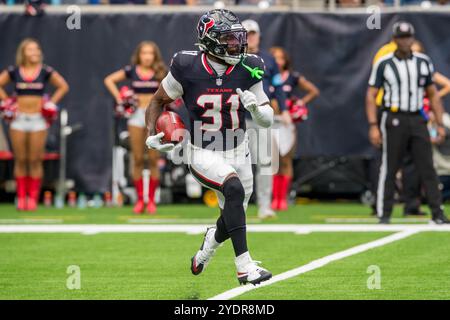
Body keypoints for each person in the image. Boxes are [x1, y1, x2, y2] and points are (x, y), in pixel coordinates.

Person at [145, 9, 273, 285]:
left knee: (232, 213)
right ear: (210, 40)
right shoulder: (185, 65)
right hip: (202, 149)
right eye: (229, 39)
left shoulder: (250, 65)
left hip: (239, 150)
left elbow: (266, 119)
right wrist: (152, 134)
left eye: (238, 38)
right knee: (234, 189)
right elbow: (157, 101)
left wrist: (257, 110)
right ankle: (244, 267)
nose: (236, 44)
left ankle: (205, 251)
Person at [366, 21, 449, 224]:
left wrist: (439, 123)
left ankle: (437, 213)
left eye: (408, 37)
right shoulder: (384, 63)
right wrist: (373, 125)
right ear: (394, 40)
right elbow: (371, 94)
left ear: (412, 38)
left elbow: (433, 94)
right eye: (401, 37)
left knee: (427, 166)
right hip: (393, 117)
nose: (405, 41)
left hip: (418, 117)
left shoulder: (423, 62)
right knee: (390, 166)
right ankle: (384, 214)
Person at [0, 38, 69, 211]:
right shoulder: (14, 71)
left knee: (35, 160)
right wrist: (8, 102)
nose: (34, 52)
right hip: (19, 119)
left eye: (37, 49)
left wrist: (50, 104)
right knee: (21, 159)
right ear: (23, 53)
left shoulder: (45, 71)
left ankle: (33, 198)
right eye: (30, 49)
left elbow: (63, 86)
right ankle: (21, 198)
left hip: (38, 119)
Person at [105, 41, 167, 214]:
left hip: (154, 116)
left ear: (155, 55)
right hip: (135, 117)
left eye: (150, 53)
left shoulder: (160, 71)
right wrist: (121, 98)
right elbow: (109, 80)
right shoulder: (131, 70)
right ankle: (140, 200)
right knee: (138, 158)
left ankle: (152, 201)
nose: (147, 56)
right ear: (138, 55)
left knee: (154, 159)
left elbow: (173, 89)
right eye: (144, 53)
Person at [241, 19, 291, 219]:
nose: (251, 37)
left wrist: (285, 109)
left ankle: (264, 205)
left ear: (258, 35)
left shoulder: (269, 59)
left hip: (260, 116)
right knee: (235, 162)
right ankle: (236, 206)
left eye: (253, 33)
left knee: (265, 161)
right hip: (237, 116)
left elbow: (278, 86)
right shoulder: (234, 58)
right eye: (247, 33)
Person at [269, 46, 319, 211]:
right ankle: (274, 198)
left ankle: (283, 198)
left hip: (286, 122)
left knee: (286, 160)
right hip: (270, 122)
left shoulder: (292, 77)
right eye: (274, 58)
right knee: (273, 160)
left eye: (280, 58)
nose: (278, 61)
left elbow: (313, 91)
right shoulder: (265, 76)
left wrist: (299, 103)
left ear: (285, 61)